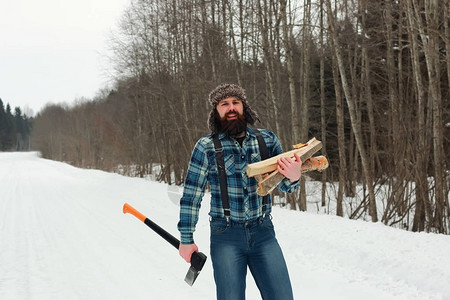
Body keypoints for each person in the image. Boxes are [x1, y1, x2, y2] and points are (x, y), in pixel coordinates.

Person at [178, 83, 302, 300]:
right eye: (224, 104)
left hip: (263, 232)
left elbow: (283, 185)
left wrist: (294, 176)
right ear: (216, 112)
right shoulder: (206, 146)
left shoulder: (267, 140)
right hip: (225, 236)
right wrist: (186, 238)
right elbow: (191, 196)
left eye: (236, 102)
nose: (231, 107)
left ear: (244, 107)